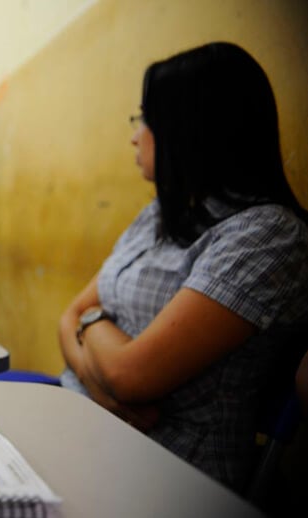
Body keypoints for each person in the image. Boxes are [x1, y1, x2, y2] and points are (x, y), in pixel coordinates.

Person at [57, 42, 308, 492]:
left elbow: (129, 375)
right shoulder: (163, 213)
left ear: (192, 127)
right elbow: (66, 318)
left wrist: (93, 325)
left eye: (145, 119)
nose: (135, 136)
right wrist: (102, 389)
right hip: (89, 421)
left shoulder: (267, 235)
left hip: (167, 472)